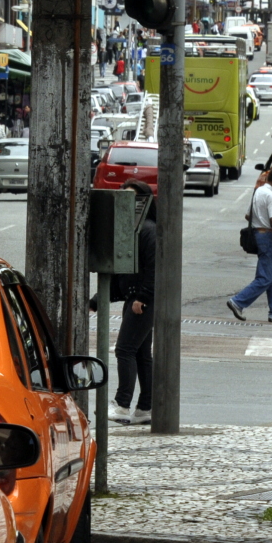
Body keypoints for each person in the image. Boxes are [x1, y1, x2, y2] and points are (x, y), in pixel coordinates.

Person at [111, 180, 158, 425]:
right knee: (140, 353)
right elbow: (123, 269)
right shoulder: (132, 229)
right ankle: (145, 407)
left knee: (125, 349)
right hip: (137, 297)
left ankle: (122, 404)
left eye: (133, 199)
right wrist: (100, 299)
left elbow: (153, 269)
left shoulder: (148, 230)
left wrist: (142, 298)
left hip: (143, 300)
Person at [228, 167, 272, 323]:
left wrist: (259, 223)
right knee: (265, 278)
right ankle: (238, 301)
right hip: (267, 237)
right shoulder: (271, 195)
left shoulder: (258, 192)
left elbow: (247, 215)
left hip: (258, 235)